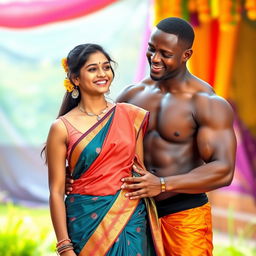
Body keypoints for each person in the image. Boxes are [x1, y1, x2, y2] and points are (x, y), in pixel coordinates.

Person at [65, 18, 236, 255]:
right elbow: (104, 148)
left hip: (183, 214)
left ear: (186, 55)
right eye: (152, 49)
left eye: (165, 54)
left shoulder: (207, 103)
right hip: (132, 213)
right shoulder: (132, 96)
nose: (155, 59)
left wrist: (163, 184)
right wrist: (74, 175)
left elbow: (223, 170)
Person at [44, 43, 165, 256]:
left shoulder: (130, 115)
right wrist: (64, 247)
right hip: (85, 222)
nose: (102, 74)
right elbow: (56, 191)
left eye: (106, 67)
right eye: (92, 69)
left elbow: (138, 169)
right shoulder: (61, 128)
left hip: (130, 219)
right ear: (75, 79)